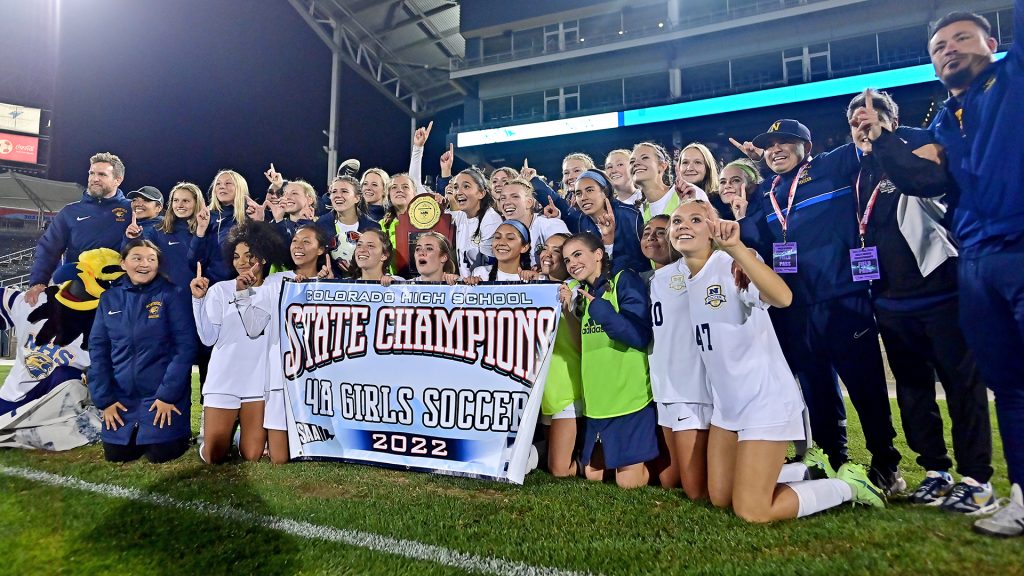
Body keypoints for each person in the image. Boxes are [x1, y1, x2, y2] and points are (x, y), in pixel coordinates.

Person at [670, 200, 884, 521]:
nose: (682, 225)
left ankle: (848, 485)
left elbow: (783, 298)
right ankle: (807, 470)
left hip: (763, 402)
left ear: (714, 229)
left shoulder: (731, 263)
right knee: (720, 497)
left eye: (696, 219)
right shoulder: (685, 277)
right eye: (676, 221)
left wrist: (739, 250)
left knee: (753, 511)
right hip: (727, 407)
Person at [733, 119, 903, 494]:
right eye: (769, 145)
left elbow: (864, 146)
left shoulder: (830, 165)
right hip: (795, 306)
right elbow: (756, 238)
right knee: (816, 388)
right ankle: (833, 458)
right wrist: (734, 219)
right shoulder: (766, 192)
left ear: (805, 147)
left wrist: (867, 124)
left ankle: (886, 463)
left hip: (843, 297)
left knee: (865, 386)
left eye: (785, 143)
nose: (775, 149)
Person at [847, 89, 994, 513]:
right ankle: (936, 470)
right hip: (891, 301)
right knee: (913, 391)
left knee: (962, 387)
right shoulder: (860, 169)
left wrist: (885, 139)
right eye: (855, 118)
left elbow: (926, 181)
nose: (862, 123)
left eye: (869, 115)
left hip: (940, 291)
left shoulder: (919, 141)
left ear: (890, 118)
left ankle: (976, 478)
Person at [920, 7, 1024, 537]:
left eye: (962, 38)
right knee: (1008, 385)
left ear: (993, 42)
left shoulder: (1014, 79)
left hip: (1020, 247)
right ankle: (1023, 499)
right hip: (976, 263)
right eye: (939, 46)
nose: (950, 49)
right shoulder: (943, 119)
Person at [560, 232, 656, 489]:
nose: (572, 264)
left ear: (599, 254)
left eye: (578, 254)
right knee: (593, 475)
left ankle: (656, 466)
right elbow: (581, 344)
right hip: (598, 397)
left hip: (629, 394)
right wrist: (570, 312)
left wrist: (601, 310)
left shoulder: (623, 279)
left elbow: (639, 335)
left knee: (627, 483)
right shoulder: (581, 293)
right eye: (568, 260)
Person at [88, 239, 196, 464]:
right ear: (123, 263)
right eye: (137, 258)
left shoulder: (172, 295)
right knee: (117, 455)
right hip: (122, 398)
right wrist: (105, 400)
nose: (144, 264)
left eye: (151, 259)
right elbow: (98, 350)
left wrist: (167, 396)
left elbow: (185, 348)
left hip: (161, 398)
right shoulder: (109, 299)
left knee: (160, 454)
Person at [191, 221, 290, 464]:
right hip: (223, 379)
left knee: (252, 455)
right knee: (213, 455)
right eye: (236, 256)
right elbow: (208, 337)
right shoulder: (219, 290)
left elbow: (254, 329)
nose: (242, 261)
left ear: (264, 258)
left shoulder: (275, 287)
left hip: (257, 383)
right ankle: (215, 435)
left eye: (250, 255)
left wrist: (244, 293)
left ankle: (236, 434)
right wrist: (198, 301)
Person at [235, 225, 332, 464]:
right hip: (282, 377)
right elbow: (253, 327)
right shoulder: (277, 281)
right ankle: (241, 435)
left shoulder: (334, 283)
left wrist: (321, 289)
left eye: (306, 242)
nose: (298, 246)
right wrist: (243, 294)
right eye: (295, 241)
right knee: (279, 458)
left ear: (321, 250)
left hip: (320, 380)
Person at [647, 211, 711, 497]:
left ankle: (804, 473)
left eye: (661, 231)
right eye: (647, 232)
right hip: (664, 387)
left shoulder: (693, 268)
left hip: (690, 388)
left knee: (695, 489)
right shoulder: (648, 279)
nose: (652, 237)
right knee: (670, 480)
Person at [26, 152, 132, 306]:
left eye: (102, 174)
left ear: (118, 180)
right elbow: (49, 248)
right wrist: (38, 282)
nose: (95, 178)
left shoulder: (132, 209)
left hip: (119, 293)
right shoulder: (70, 212)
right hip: (77, 292)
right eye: (91, 173)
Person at [536, 233, 583, 477]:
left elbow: (580, 345)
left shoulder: (577, 290)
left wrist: (567, 310)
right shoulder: (535, 287)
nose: (548, 254)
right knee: (549, 459)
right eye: (545, 248)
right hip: (543, 385)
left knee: (559, 469)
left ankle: (594, 466)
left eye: (557, 251)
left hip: (566, 383)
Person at [143, 182, 207, 288]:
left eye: (185, 201)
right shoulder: (157, 231)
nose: (180, 205)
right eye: (176, 200)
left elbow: (202, 261)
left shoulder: (207, 230)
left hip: (199, 292)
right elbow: (144, 261)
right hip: (165, 295)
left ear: (197, 203)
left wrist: (201, 231)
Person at [316, 175, 380, 277]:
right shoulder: (321, 225)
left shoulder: (373, 227)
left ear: (357, 198)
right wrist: (322, 273)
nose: (337, 195)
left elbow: (378, 261)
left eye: (344, 191)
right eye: (334, 192)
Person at [193, 169, 250, 283]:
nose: (222, 186)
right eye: (218, 183)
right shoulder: (206, 217)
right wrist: (200, 230)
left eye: (228, 183)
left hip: (244, 282)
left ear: (240, 188)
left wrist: (260, 221)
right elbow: (194, 260)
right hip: (212, 286)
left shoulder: (251, 214)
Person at [496, 177, 568, 267]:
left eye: (515, 196)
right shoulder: (502, 231)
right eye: (503, 198)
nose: (507, 202)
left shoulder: (551, 225)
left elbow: (568, 260)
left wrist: (541, 271)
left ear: (529, 202)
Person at [470, 221, 535, 282]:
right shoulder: (480, 273)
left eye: (510, 238)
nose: (501, 242)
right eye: (497, 237)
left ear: (524, 247)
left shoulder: (532, 278)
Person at [676, 142, 722, 213]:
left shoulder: (721, 200)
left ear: (708, 168)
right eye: (685, 162)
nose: (689, 168)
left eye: (697, 162)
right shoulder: (668, 197)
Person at [639, 215, 673, 283]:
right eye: (646, 233)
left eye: (660, 233)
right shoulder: (639, 280)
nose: (650, 237)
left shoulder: (691, 273)